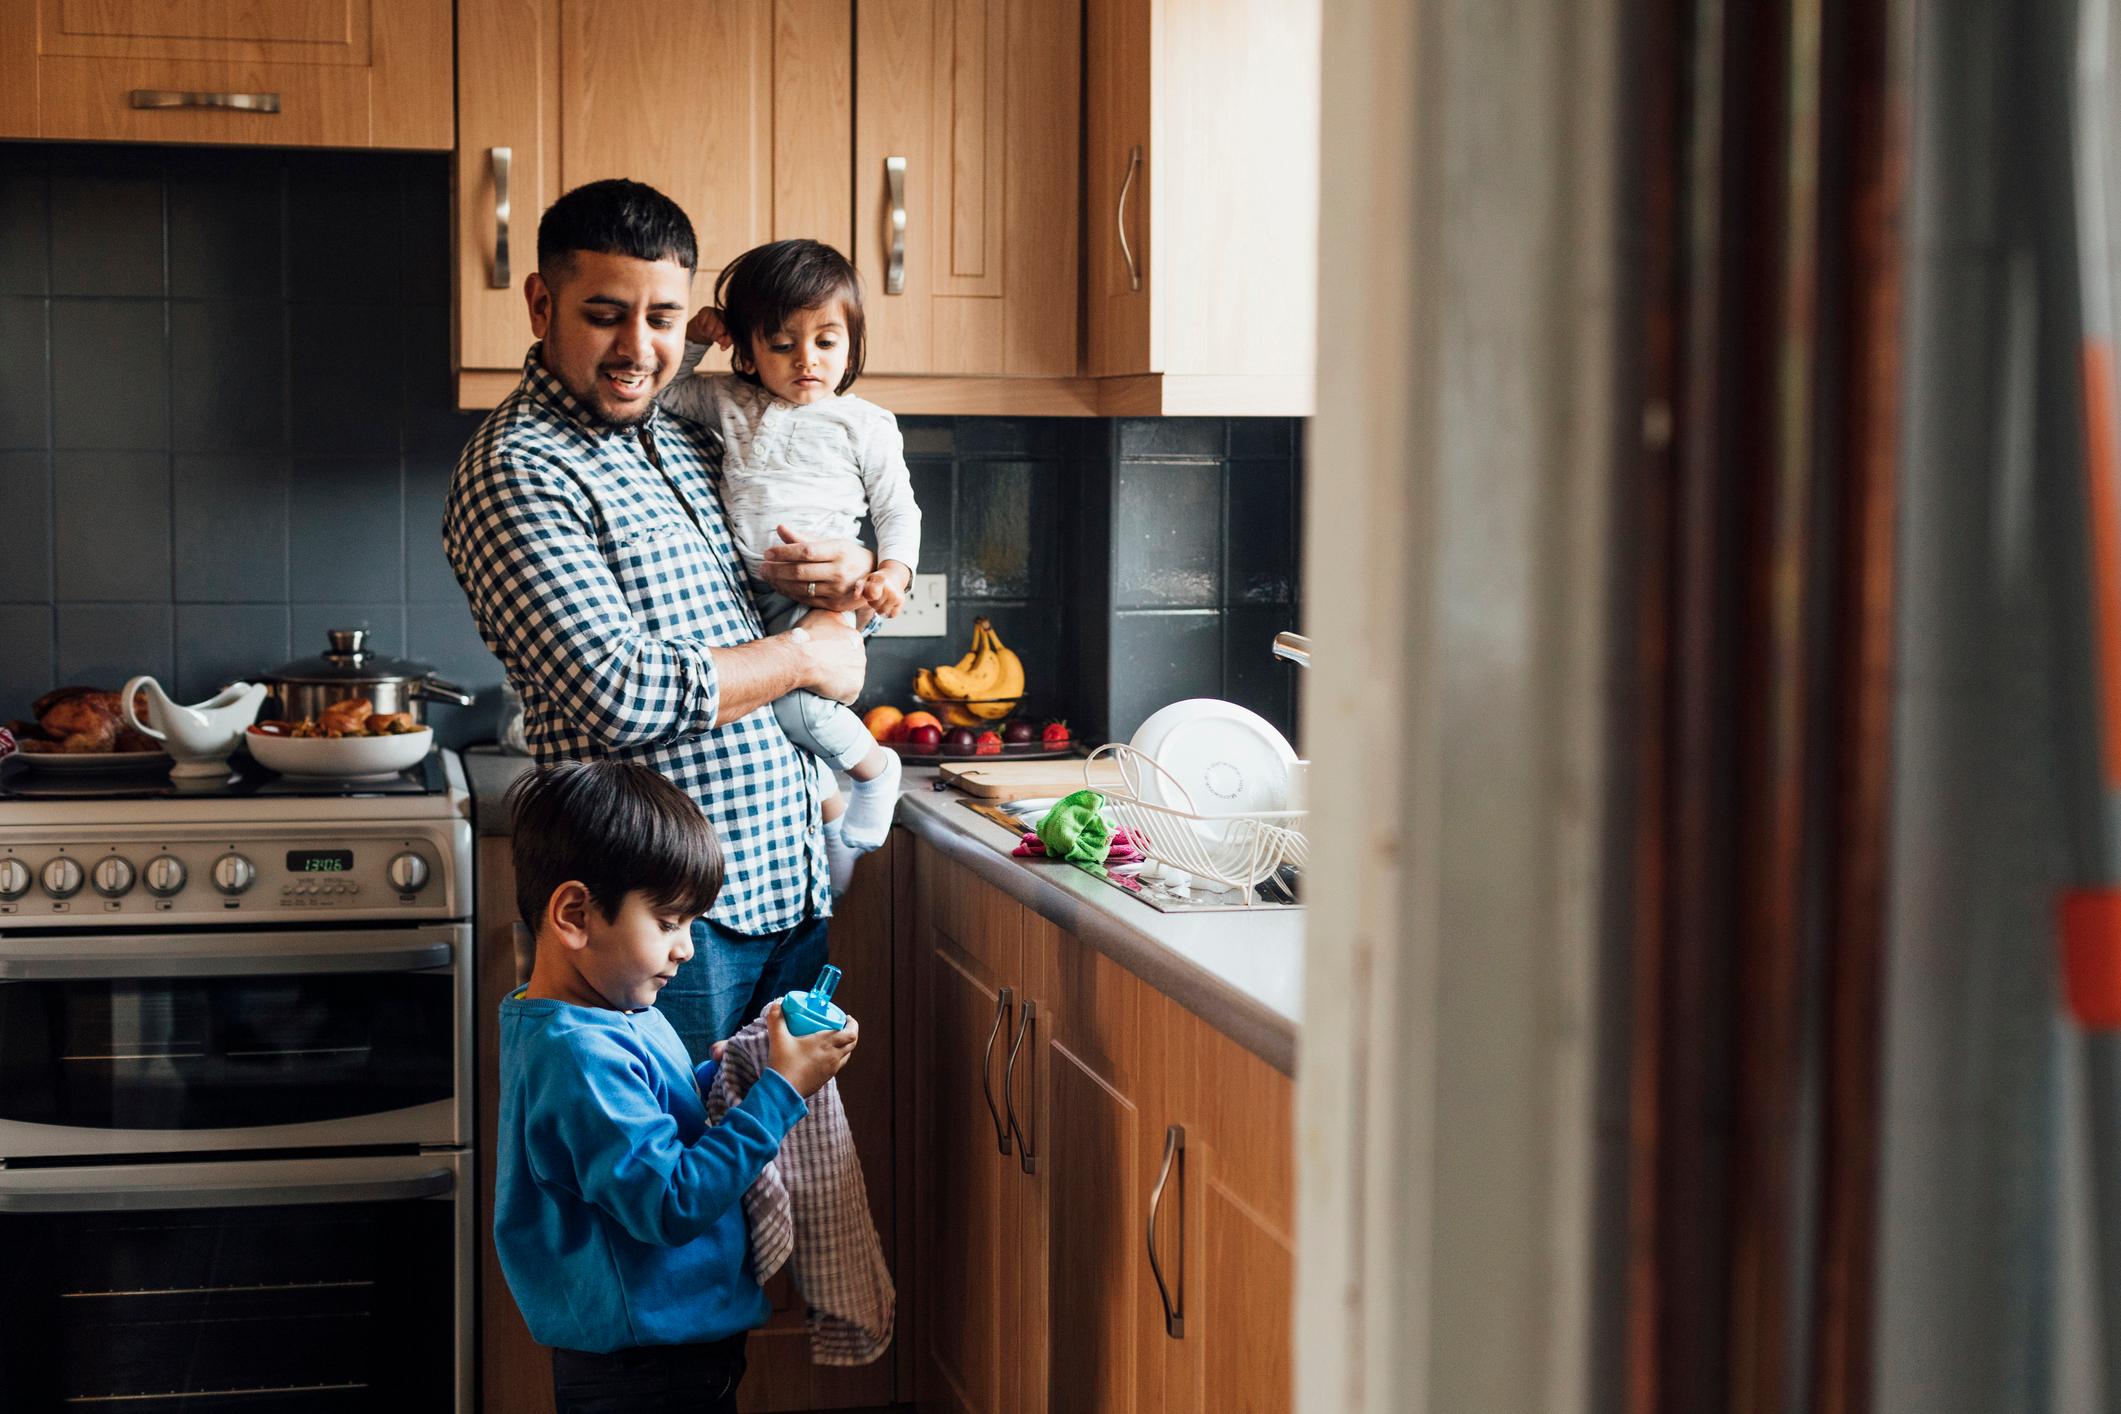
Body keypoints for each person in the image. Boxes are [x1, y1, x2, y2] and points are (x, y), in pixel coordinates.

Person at [444, 178, 874, 1055]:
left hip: (776, 888)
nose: (637, 348)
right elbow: (620, 692)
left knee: (772, 1178)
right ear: (540, 303)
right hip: (649, 922)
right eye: (605, 314)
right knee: (666, 1184)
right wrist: (801, 654)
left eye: (664, 318)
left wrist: (854, 567)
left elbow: (795, 538)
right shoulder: (518, 469)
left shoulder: (679, 433)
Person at [494, 758, 859, 1414]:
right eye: (668, 923)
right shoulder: (577, 1054)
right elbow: (669, 1203)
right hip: (642, 1370)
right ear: (575, 914)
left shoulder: (612, 1015)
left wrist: (723, 1073)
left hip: (670, 1346)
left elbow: (650, 1117)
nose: (686, 948)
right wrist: (780, 1090)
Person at [658, 238, 917, 863]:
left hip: (835, 595)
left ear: (850, 345)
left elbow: (896, 509)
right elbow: (662, 396)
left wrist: (893, 573)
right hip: (757, 600)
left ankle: (877, 773)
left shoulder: (865, 424)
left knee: (798, 713)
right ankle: (828, 816)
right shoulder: (728, 401)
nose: (807, 359)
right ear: (747, 349)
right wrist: (695, 340)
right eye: (782, 343)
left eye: (826, 341)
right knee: (774, 721)